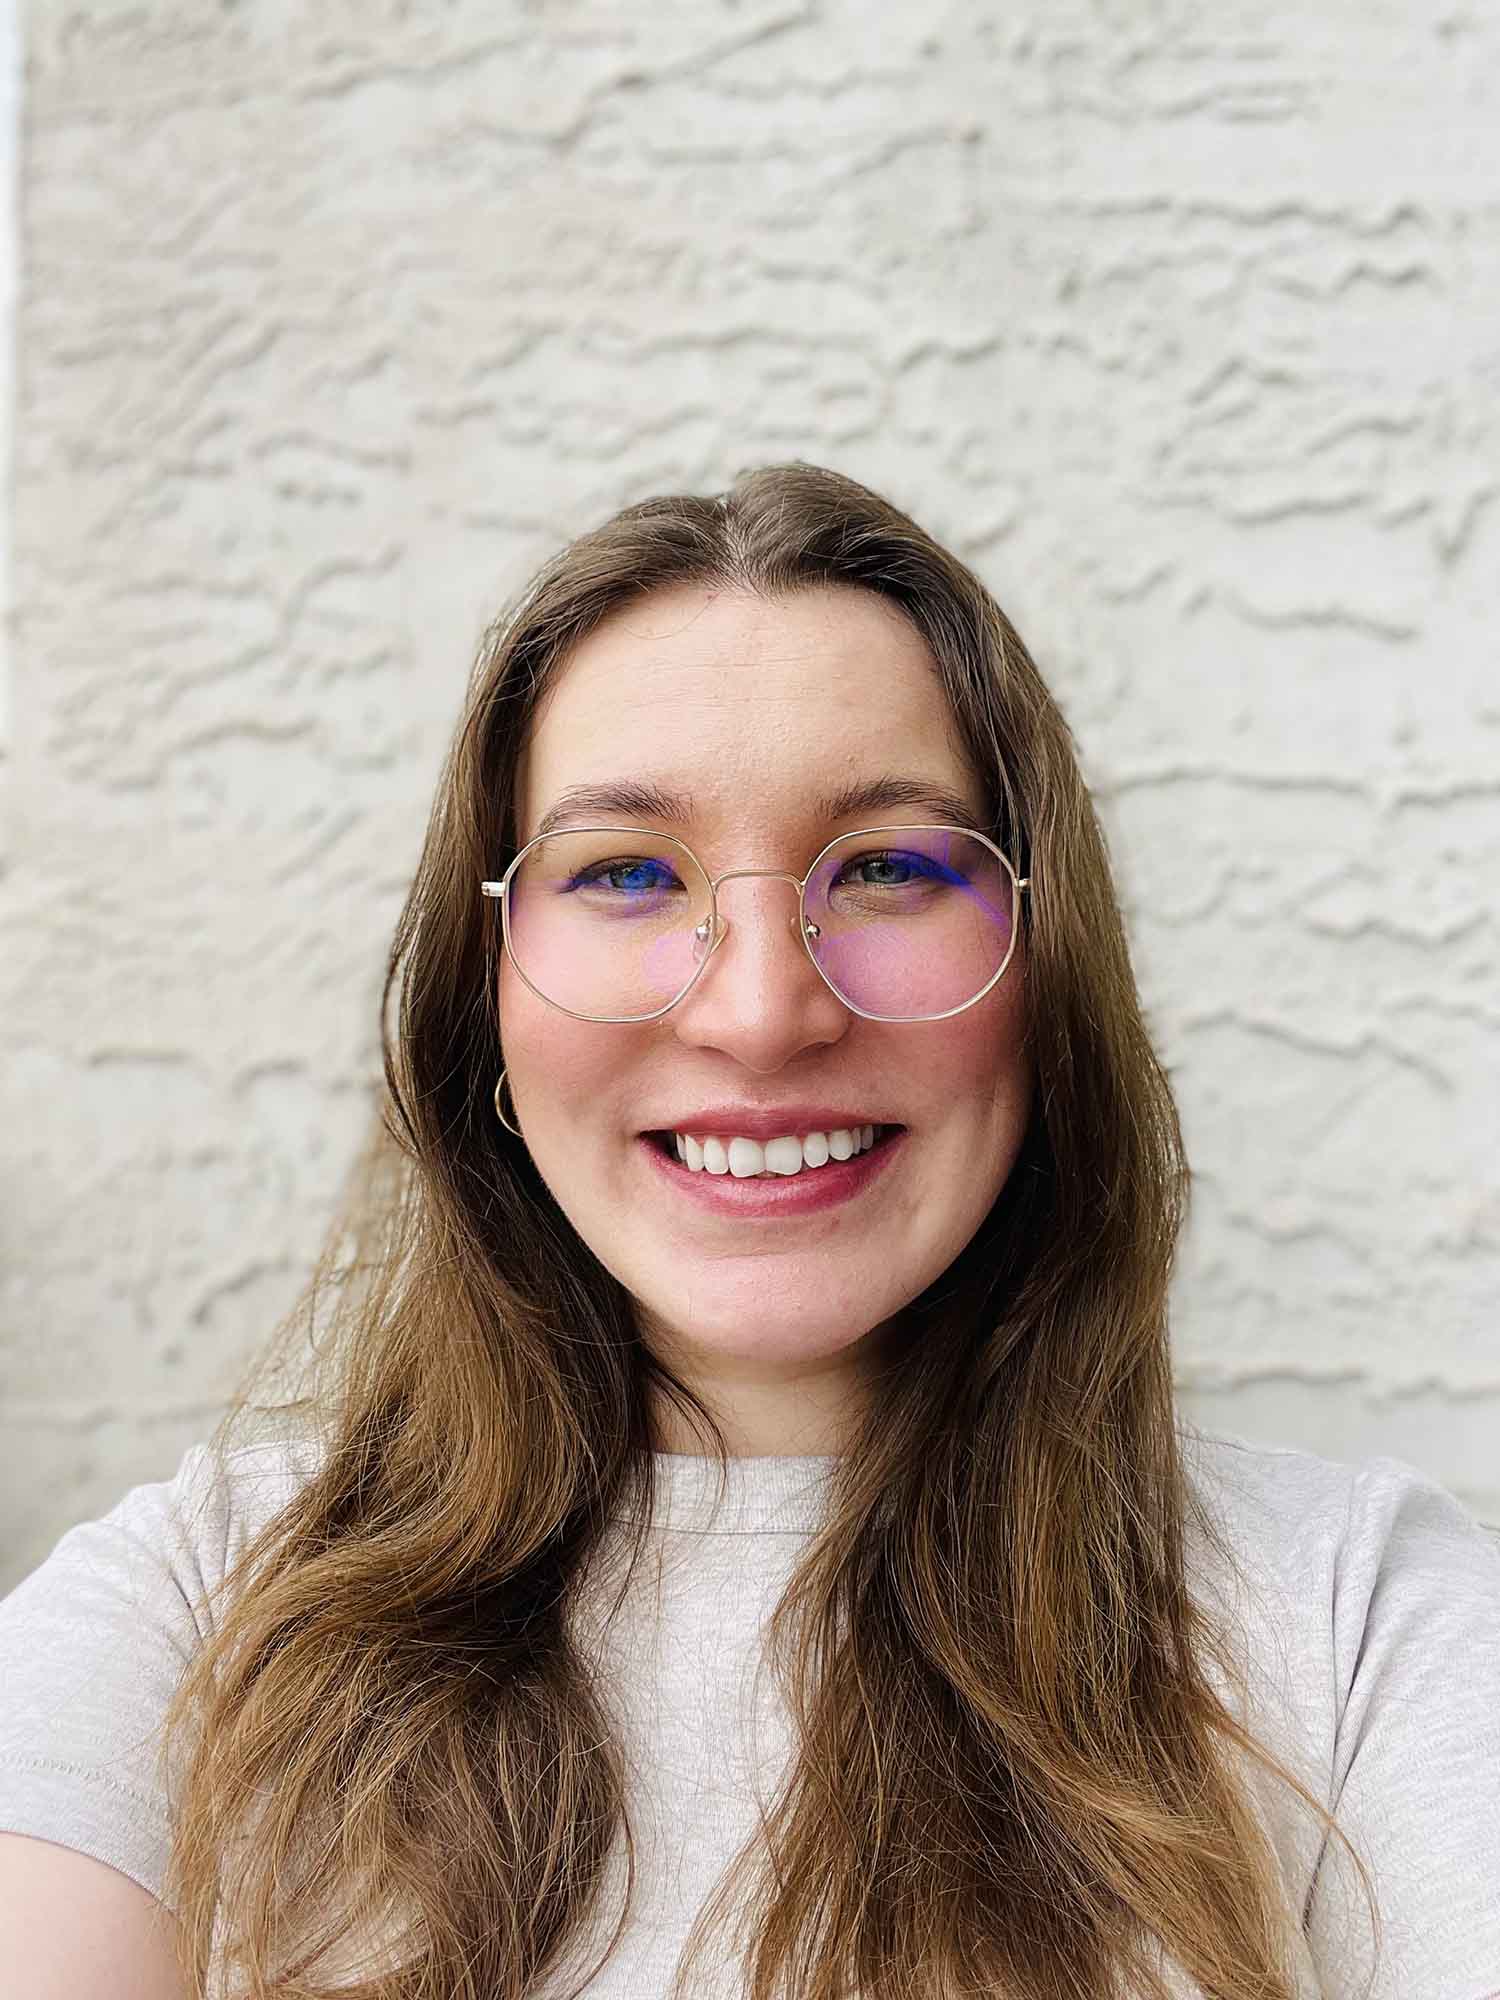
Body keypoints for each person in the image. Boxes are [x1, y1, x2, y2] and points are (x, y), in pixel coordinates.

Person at [1, 463, 1496, 2000]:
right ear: (483, 996)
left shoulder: (1362, 1624)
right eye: (627, 873)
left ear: (1045, 972)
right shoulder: (195, 1617)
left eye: (892, 867)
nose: (764, 1011)